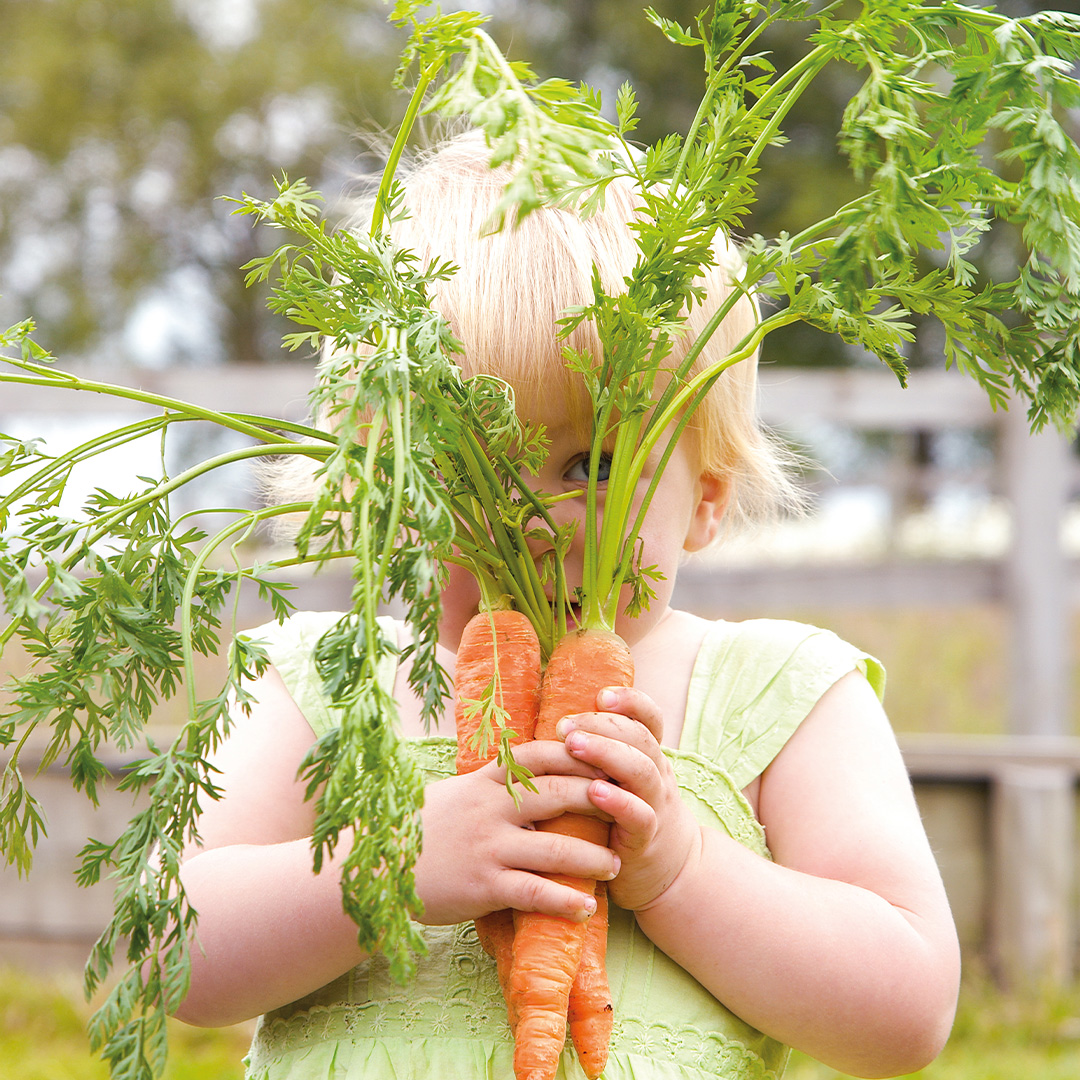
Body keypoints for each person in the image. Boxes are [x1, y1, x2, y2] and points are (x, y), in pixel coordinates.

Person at [172, 132, 961, 1080]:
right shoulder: (324, 681)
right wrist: (378, 867)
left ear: (706, 498)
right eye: (471, 466)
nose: (532, 523)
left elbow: (906, 1014)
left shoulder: (782, 696)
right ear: (383, 480)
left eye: (590, 467)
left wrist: (683, 871)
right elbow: (169, 952)